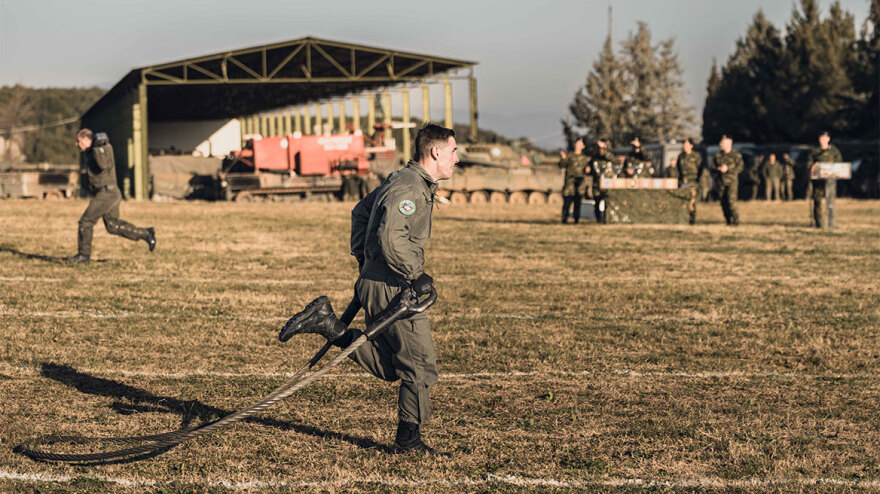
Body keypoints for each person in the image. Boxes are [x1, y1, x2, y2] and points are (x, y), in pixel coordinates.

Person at [280, 124, 457, 455]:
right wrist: (415, 274)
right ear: (435, 152)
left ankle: (329, 325)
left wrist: (365, 263)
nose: (456, 159)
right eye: (453, 151)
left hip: (380, 280)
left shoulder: (402, 180)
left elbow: (360, 213)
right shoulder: (410, 189)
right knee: (419, 364)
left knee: (396, 367)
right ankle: (408, 443)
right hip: (393, 284)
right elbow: (392, 238)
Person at [65, 129, 155, 263]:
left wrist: (96, 146)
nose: (76, 144)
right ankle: (146, 233)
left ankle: (83, 255)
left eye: (78, 141)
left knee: (86, 221)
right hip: (107, 193)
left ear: (86, 139)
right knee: (113, 226)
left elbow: (103, 164)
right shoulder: (91, 152)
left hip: (107, 193)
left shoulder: (102, 147)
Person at [808, 131, 843, 228]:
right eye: (820, 138)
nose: (822, 140)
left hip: (830, 180)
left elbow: (839, 163)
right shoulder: (815, 151)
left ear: (828, 139)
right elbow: (809, 164)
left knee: (830, 202)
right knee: (817, 201)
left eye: (824, 138)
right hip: (818, 180)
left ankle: (831, 224)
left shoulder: (834, 151)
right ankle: (818, 223)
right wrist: (812, 167)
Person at [712, 135, 744, 226]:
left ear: (730, 142)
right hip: (721, 181)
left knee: (731, 200)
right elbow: (712, 168)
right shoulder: (718, 155)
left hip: (732, 181)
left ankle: (735, 219)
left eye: (723, 142)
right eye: (721, 142)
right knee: (723, 201)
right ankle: (728, 220)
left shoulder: (736, 155)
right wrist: (719, 169)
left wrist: (728, 169)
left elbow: (740, 167)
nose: (721, 144)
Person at [558, 138, 590, 224]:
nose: (577, 144)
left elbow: (589, 170)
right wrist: (563, 159)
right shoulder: (569, 155)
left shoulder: (585, 158)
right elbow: (562, 165)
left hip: (579, 184)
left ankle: (576, 220)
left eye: (579, 143)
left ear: (583, 146)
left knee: (577, 203)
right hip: (569, 184)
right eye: (576, 143)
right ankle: (564, 220)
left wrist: (588, 169)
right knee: (567, 203)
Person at [676, 137, 702, 224]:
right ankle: (684, 219)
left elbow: (701, 169)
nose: (685, 146)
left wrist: (698, 180)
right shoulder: (681, 156)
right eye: (684, 144)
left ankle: (692, 220)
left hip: (693, 182)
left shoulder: (696, 156)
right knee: (683, 200)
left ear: (691, 146)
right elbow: (678, 169)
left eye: (687, 144)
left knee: (692, 201)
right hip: (683, 182)